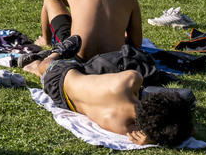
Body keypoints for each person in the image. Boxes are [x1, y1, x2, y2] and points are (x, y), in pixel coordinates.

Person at [19, 41, 196, 146]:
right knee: (48, 71)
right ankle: (41, 65)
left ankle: (55, 53)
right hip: (63, 101)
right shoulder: (122, 127)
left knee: (46, 65)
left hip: (62, 75)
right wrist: (150, 139)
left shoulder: (131, 79)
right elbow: (156, 134)